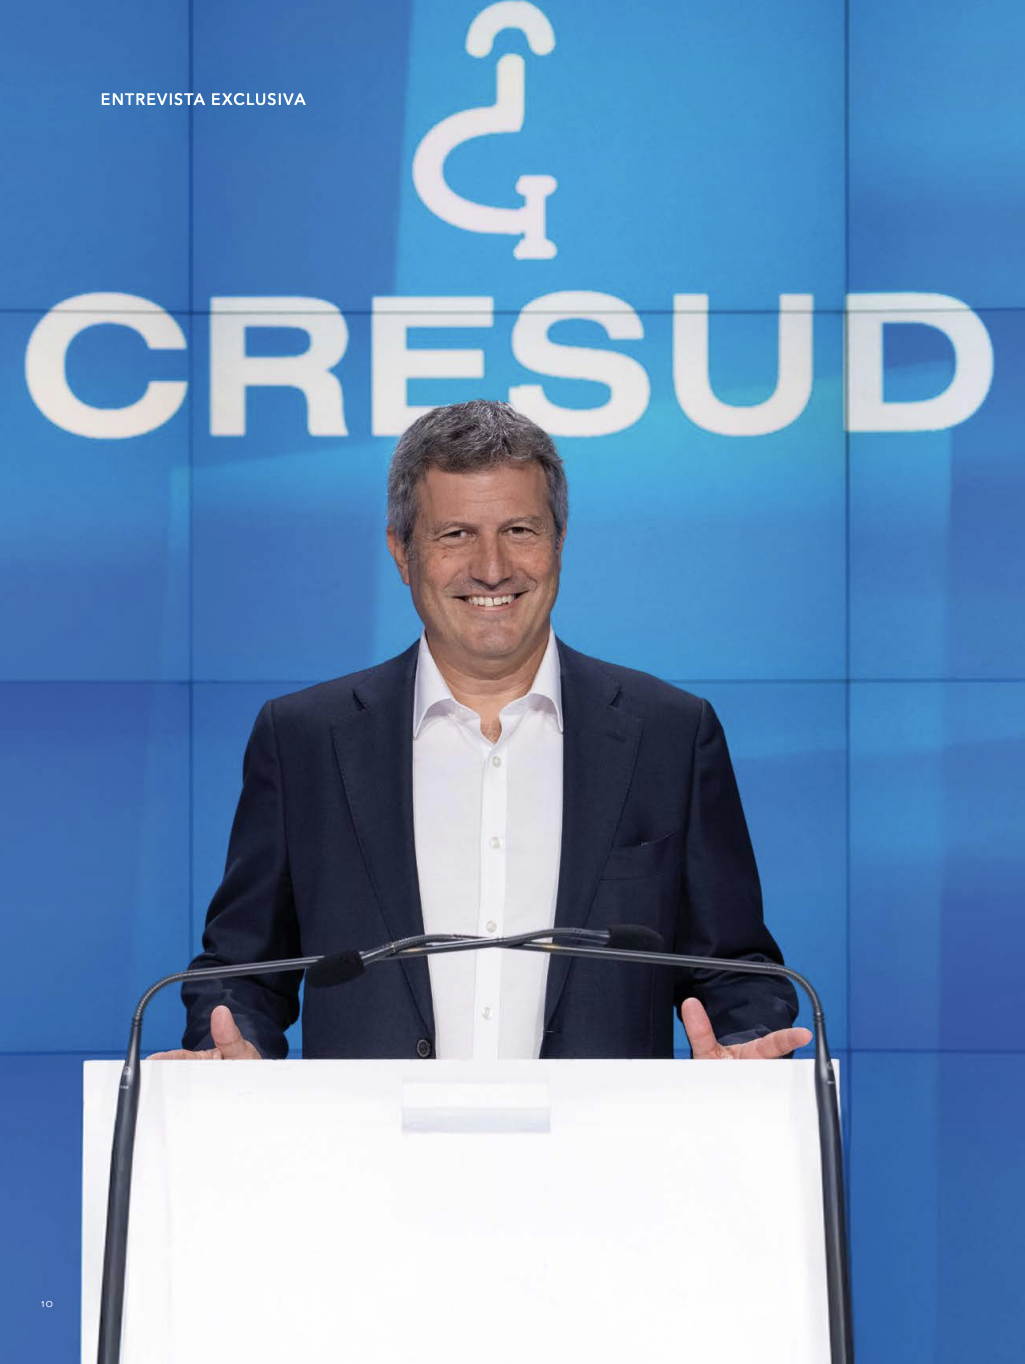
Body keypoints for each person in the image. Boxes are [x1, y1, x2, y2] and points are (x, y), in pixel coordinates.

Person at [153, 400, 810, 1063]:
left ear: (559, 542)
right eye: (456, 534)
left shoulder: (669, 734)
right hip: (369, 1130)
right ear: (402, 552)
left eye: (520, 530)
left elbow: (734, 972)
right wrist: (233, 1052)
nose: (492, 568)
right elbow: (242, 971)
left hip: (604, 1130)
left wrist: (743, 1048)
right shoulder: (305, 740)